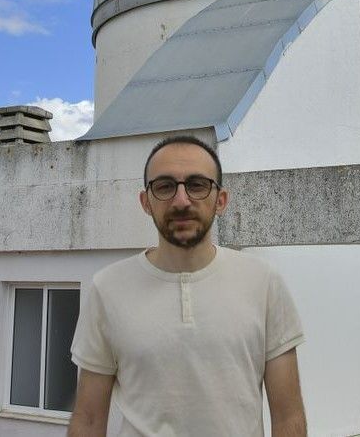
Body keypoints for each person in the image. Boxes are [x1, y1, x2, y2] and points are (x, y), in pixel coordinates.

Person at [67, 135, 306, 437]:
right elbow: (88, 419)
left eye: (197, 185)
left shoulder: (264, 283)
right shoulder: (108, 288)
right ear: (146, 202)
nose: (182, 201)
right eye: (165, 186)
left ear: (221, 200)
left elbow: (288, 418)